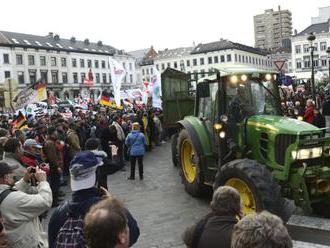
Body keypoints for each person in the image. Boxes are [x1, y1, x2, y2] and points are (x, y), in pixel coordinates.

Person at [48, 151, 140, 248]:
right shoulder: (107, 210)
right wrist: (113, 203)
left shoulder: (58, 214)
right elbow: (133, 233)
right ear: (95, 175)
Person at [0, 162, 52, 248]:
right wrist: (43, 182)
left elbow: (7, 192)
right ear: (6, 178)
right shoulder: (14, 199)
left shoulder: (6, 195)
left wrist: (24, 180)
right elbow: (45, 201)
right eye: (11, 174)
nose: (14, 174)